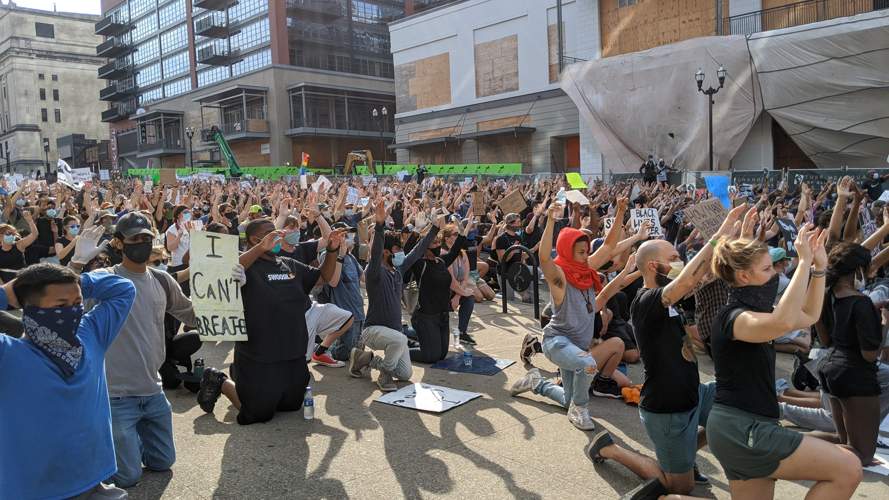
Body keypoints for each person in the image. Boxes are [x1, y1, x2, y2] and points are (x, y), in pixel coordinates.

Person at [586, 203, 746, 497]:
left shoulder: (672, 303)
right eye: (673, 258)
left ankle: (684, 454)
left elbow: (702, 293)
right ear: (653, 266)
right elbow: (688, 278)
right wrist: (719, 234)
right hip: (668, 408)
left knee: (735, 416)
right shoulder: (647, 301)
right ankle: (611, 449)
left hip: (694, 392)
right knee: (678, 488)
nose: (679, 261)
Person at [707, 226, 862, 499]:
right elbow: (785, 322)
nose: (775, 274)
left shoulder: (757, 314)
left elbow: (810, 313)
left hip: (745, 429)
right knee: (848, 467)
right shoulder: (733, 317)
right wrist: (802, 263)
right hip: (743, 430)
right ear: (744, 276)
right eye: (767, 269)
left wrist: (818, 267)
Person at [69, 217, 205, 488]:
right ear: (118, 242)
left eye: (146, 239)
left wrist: (228, 291)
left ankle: (122, 447)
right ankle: (93, 455)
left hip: (153, 390)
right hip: (116, 395)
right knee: (128, 477)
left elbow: (192, 313)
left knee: (162, 462)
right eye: (134, 239)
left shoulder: (161, 279)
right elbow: (60, 300)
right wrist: (75, 265)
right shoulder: (105, 280)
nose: (141, 245)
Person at [0, 263, 136, 500]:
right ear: (29, 308)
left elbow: (124, 288)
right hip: (33, 488)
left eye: (77, 304)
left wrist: (76, 280)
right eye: (60, 306)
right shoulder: (8, 353)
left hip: (92, 477)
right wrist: (5, 295)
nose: (72, 312)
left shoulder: (90, 334)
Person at [197, 219, 344, 425]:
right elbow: (221, 271)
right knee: (257, 414)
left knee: (291, 406)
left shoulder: (289, 264)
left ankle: (246, 384)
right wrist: (259, 249)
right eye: (268, 234)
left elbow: (324, 277)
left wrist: (331, 249)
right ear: (253, 239)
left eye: (276, 232)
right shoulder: (245, 264)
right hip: (260, 355)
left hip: (292, 352)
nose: (276, 237)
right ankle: (219, 380)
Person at [510, 201, 627, 430]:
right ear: (568, 251)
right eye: (581, 252)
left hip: (576, 346)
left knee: (567, 399)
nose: (586, 256)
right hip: (557, 341)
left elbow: (610, 245)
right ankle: (581, 410)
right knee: (588, 365)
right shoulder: (560, 277)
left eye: (587, 252)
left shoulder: (584, 269)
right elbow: (544, 258)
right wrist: (551, 220)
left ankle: (536, 383)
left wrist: (621, 212)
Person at [348, 200, 439, 391]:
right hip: (373, 330)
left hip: (395, 331)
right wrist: (380, 226)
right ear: (387, 252)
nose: (401, 253)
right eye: (398, 250)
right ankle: (384, 375)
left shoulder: (399, 268)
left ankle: (365, 359)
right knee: (400, 340)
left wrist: (434, 228)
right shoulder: (374, 271)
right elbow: (375, 251)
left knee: (405, 374)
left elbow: (418, 250)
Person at [814, 242, 886, 466]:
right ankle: (787, 447)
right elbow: (870, 355)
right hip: (855, 375)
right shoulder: (861, 302)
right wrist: (884, 323)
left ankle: (788, 442)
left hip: (830, 368)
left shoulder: (824, 293)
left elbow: (826, 340)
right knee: (863, 454)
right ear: (858, 270)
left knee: (843, 441)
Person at [408, 218, 470, 363]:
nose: (438, 245)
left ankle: (415, 341)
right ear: (424, 248)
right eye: (434, 243)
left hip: (442, 315)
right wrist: (416, 233)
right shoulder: (420, 265)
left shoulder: (441, 261)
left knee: (441, 355)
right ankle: (400, 349)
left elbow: (454, 251)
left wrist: (461, 234)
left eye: (438, 242)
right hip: (426, 316)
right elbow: (409, 252)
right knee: (431, 357)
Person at [320, 222, 365, 362]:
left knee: (356, 351)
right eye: (343, 235)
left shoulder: (351, 258)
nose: (347, 237)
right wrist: (339, 257)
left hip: (358, 311)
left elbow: (365, 278)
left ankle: (322, 347)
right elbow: (333, 282)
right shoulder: (326, 256)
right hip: (344, 312)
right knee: (344, 353)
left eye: (348, 235)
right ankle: (318, 349)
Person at [441, 223, 477, 344]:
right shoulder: (444, 254)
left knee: (470, 296)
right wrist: (459, 294)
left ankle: (462, 332)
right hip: (441, 293)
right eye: (456, 234)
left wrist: (458, 296)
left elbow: (464, 279)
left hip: (454, 292)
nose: (459, 236)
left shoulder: (463, 254)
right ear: (447, 238)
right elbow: (451, 281)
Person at [0, 212, 39, 283]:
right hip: (5, 282)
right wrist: (3, 287)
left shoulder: (19, 245)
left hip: (21, 281)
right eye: (8, 233)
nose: (11, 236)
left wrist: (30, 221)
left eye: (13, 234)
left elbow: (34, 234)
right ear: (1, 235)